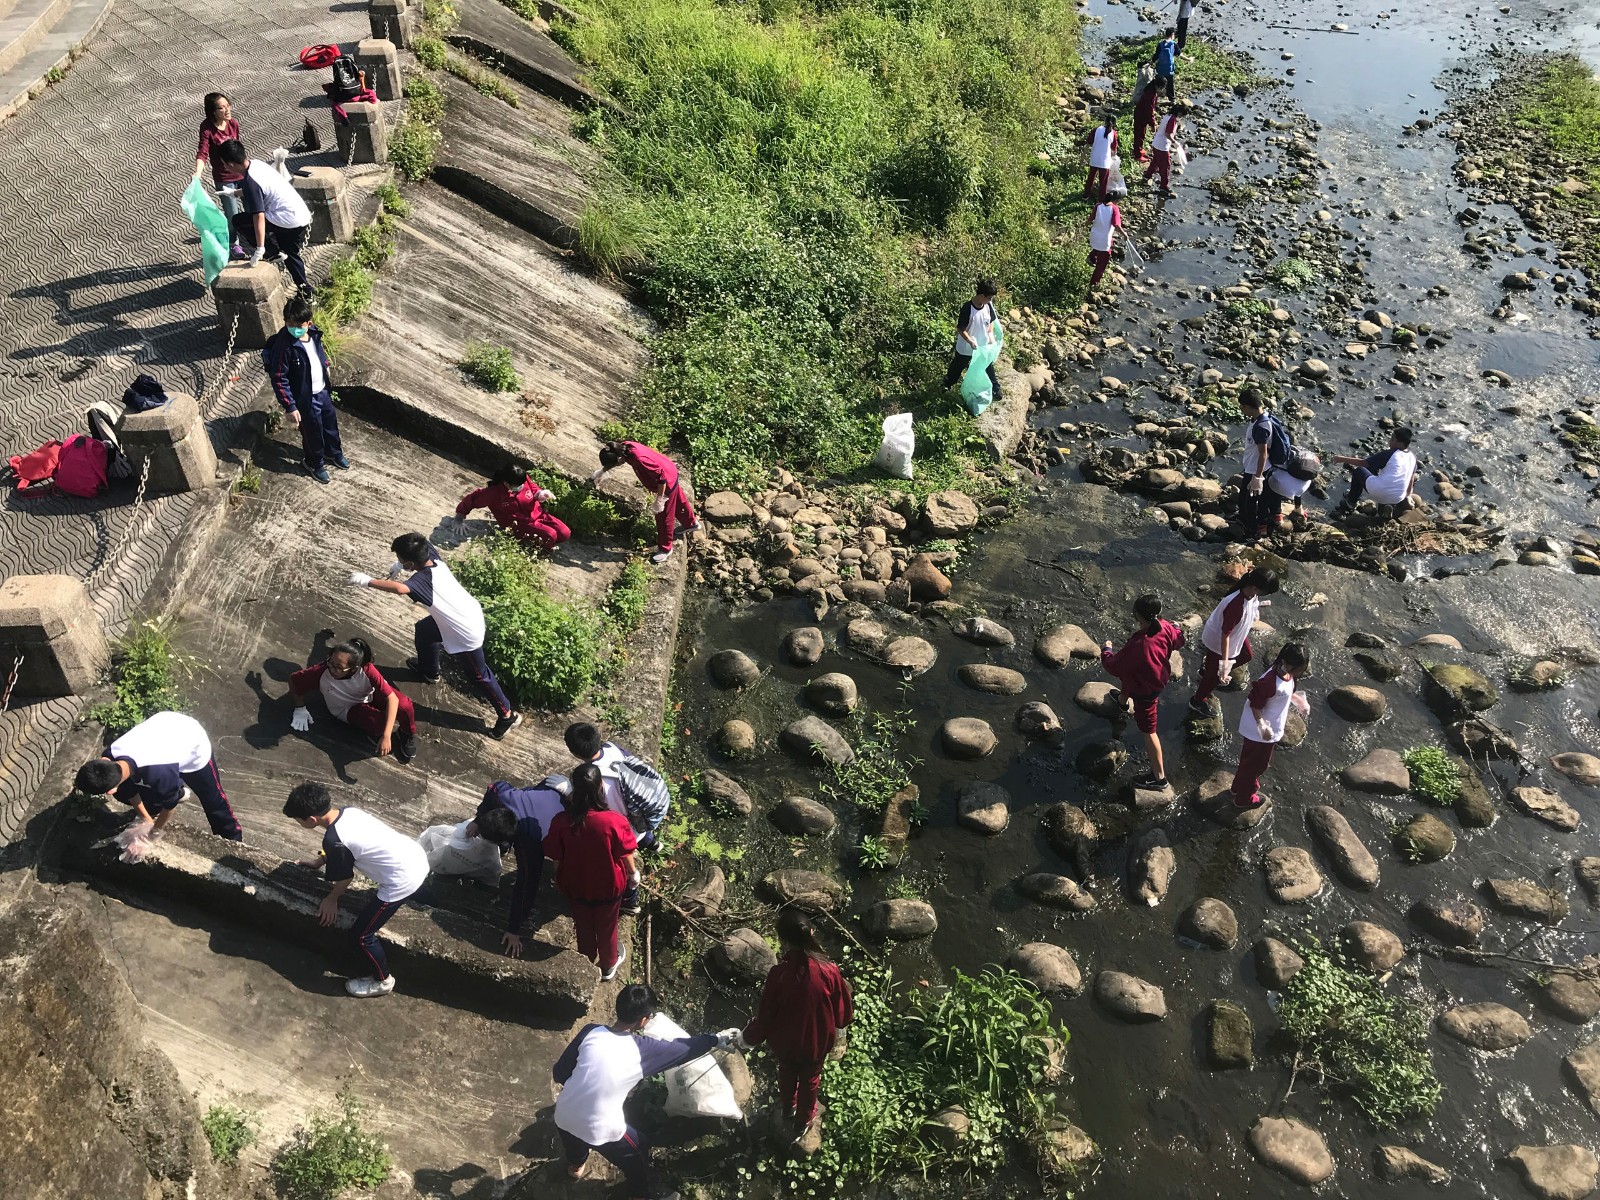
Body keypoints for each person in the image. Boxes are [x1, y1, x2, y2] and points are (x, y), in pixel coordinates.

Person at [552, 984, 740, 1199]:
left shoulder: (590, 1032)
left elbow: (559, 1073)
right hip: (600, 1129)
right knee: (639, 1149)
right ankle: (641, 1195)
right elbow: (684, 1049)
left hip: (563, 1114)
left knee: (573, 1137)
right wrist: (715, 1039)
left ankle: (575, 1167)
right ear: (643, 1020)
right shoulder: (642, 1050)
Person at [348, 532, 522, 739]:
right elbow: (421, 541)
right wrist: (399, 565)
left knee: (479, 675)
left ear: (411, 563)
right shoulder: (430, 556)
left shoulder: (423, 581)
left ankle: (506, 715)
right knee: (424, 631)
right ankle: (429, 671)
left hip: (464, 630)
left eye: (402, 561)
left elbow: (400, 588)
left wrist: (367, 581)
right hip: (458, 613)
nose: (400, 563)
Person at [283, 781, 430, 997]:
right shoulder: (347, 812)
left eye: (297, 819)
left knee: (361, 936)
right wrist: (318, 863)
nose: (298, 822)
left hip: (403, 878)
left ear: (311, 820)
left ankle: (383, 981)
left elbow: (345, 876)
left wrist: (331, 899)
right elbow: (345, 848)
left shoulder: (334, 840)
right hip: (415, 856)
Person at [741, 908, 854, 1140]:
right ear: (811, 932)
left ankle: (788, 1106)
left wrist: (748, 1038)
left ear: (783, 941)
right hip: (815, 1044)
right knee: (810, 1080)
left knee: (786, 1073)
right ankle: (804, 1119)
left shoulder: (779, 974)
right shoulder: (829, 971)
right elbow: (842, 1015)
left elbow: (766, 1015)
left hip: (785, 1044)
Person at [74, 711, 242, 841]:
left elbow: (170, 807)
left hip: (192, 743)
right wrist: (147, 820)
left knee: (212, 799)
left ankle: (232, 838)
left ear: (111, 790)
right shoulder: (110, 757)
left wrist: (154, 833)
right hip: (164, 734)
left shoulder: (160, 774)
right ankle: (176, 793)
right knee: (140, 796)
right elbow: (131, 793)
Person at [543, 763, 640, 981]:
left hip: (575, 884)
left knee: (583, 924)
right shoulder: (613, 821)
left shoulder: (562, 821)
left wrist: (559, 879)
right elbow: (625, 853)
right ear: (601, 787)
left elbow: (555, 856)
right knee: (607, 926)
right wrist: (633, 874)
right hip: (608, 886)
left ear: (573, 789)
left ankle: (586, 959)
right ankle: (608, 965)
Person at [564, 721, 672, 916]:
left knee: (622, 863)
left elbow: (613, 819)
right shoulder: (612, 748)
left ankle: (630, 900)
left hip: (630, 825)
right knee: (640, 828)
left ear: (576, 753)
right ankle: (652, 842)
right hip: (648, 809)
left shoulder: (600, 781)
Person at [469, 774, 569, 957]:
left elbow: (527, 885)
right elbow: (493, 788)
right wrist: (478, 819)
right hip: (551, 789)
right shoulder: (505, 797)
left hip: (566, 806)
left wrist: (514, 929)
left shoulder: (532, 843)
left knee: (544, 868)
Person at [1099, 593, 1186, 790]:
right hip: (1154, 677)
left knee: (1149, 731)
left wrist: (1106, 650)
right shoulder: (1165, 627)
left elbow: (1114, 666)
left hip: (1147, 689)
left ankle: (1159, 778)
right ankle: (1122, 702)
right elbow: (1179, 640)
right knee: (1132, 675)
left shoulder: (1140, 644)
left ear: (1137, 616)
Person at [287, 637, 418, 763]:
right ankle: (374, 732)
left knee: (404, 705)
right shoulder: (321, 673)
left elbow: (392, 699)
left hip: (367, 695)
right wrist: (300, 708)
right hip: (347, 707)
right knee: (380, 723)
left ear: (354, 668)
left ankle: (406, 732)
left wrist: (387, 736)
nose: (332, 669)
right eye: (331, 663)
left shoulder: (366, 669)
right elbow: (294, 680)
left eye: (338, 667)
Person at [262, 296, 348, 484]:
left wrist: (325, 364)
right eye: (290, 324)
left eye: (298, 324)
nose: (294, 328)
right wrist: (290, 406)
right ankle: (314, 463)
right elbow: (279, 378)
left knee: (330, 424)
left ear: (309, 323)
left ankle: (334, 452)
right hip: (305, 398)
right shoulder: (284, 346)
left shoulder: (314, 334)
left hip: (322, 391)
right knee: (312, 432)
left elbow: (319, 353)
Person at [217, 139, 312, 291]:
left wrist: (260, 248)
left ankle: (271, 252)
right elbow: (258, 189)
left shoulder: (250, 181)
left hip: (285, 219)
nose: (223, 166)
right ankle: (306, 291)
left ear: (231, 164)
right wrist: (234, 193)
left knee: (239, 220)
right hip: (300, 216)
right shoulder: (257, 164)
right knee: (289, 254)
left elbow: (258, 217)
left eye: (223, 163)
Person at [1231, 643, 1311, 808]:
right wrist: (1262, 726)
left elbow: (1286, 692)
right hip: (1259, 732)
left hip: (1271, 724)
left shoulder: (1287, 675)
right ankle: (1243, 798)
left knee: (1248, 761)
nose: (1300, 672)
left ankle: (1237, 787)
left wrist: (1299, 701)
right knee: (1257, 765)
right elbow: (1255, 704)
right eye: (1299, 668)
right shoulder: (1269, 681)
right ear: (1287, 663)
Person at [593, 440, 698, 565]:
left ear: (620, 458)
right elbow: (615, 460)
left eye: (617, 463)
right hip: (669, 469)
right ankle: (691, 523)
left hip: (667, 481)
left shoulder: (639, 459)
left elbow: (662, 478)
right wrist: (602, 471)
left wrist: (660, 500)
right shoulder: (623, 447)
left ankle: (665, 548)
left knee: (663, 516)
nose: (618, 465)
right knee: (679, 501)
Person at [1189, 566, 1279, 711]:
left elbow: (1252, 604)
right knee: (1214, 677)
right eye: (1265, 593)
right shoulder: (1236, 605)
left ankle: (1207, 671)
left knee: (1246, 655)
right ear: (1256, 588)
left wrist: (1258, 607)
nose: (1263, 595)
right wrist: (1224, 664)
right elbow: (1225, 635)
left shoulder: (1251, 592)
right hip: (1218, 641)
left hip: (1236, 634)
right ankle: (1197, 700)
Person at [451, 462, 570, 553]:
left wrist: (540, 493)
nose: (521, 487)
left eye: (522, 484)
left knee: (565, 533)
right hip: (520, 524)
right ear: (507, 483)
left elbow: (533, 488)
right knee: (551, 535)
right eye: (518, 486)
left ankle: (544, 541)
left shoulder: (521, 479)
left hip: (538, 515)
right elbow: (472, 500)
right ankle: (539, 548)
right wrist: (459, 519)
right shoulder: (493, 493)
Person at [193, 92, 246, 259]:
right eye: (222, 107)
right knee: (232, 214)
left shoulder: (234, 124)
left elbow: (238, 151)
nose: (227, 110)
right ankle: (234, 243)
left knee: (253, 206)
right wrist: (198, 173)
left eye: (228, 105)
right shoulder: (207, 128)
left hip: (242, 175)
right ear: (213, 111)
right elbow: (203, 152)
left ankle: (253, 234)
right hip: (224, 179)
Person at [1330, 426, 1418, 517]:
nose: (1389, 442)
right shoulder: (1412, 457)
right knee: (1380, 472)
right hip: (1398, 497)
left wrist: (1340, 458)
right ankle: (1386, 508)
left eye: (1392, 439)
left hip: (1380, 491)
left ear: (1400, 443)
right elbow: (1411, 480)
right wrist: (1408, 495)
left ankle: (1351, 501)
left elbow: (1363, 463)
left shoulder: (1390, 454)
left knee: (1359, 471)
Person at [1236, 389, 1287, 536]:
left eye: (1242, 407)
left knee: (1249, 502)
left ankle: (1252, 529)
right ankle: (1262, 523)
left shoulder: (1260, 427)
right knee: (1260, 498)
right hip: (1258, 467)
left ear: (1247, 406)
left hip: (1256, 469)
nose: (1242, 410)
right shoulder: (1264, 418)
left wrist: (1257, 477)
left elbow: (1263, 453)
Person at [941, 280, 1002, 400]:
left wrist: (990, 333)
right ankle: (946, 385)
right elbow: (961, 329)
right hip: (966, 347)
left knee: (988, 366)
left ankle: (996, 388)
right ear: (981, 296)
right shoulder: (967, 308)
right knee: (957, 367)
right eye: (989, 298)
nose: (990, 301)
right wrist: (970, 341)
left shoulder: (988, 306)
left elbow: (991, 322)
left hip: (982, 346)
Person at [1144, 105, 1182, 195]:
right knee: (1165, 166)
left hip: (1157, 142)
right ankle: (1164, 186)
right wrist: (1175, 142)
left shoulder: (1167, 115)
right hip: (1162, 145)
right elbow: (1168, 134)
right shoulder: (1172, 119)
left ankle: (1147, 175)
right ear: (1179, 113)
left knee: (1156, 161)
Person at [1087, 199, 1122, 291]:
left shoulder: (1098, 205)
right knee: (1101, 265)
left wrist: (1085, 224)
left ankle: (1092, 256)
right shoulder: (1114, 208)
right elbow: (1116, 225)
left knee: (1097, 248)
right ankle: (1094, 284)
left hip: (1094, 237)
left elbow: (1090, 219)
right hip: (1104, 241)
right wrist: (1125, 235)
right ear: (1115, 200)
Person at [1084, 115, 1119, 202]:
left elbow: (1089, 142)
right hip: (1105, 161)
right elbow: (1114, 149)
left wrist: (1084, 156)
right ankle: (1101, 200)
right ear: (1114, 124)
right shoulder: (1113, 133)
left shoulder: (1096, 130)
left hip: (1094, 158)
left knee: (1091, 177)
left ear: (1105, 121)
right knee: (1103, 182)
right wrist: (1113, 156)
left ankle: (1086, 195)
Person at [1132, 77, 1161, 163]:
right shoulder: (1151, 94)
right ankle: (1137, 155)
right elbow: (1149, 109)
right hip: (1141, 115)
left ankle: (1139, 150)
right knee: (1139, 135)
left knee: (1142, 134)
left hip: (1141, 115)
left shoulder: (1151, 90)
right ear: (1158, 86)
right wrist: (1153, 123)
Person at [1152, 28, 1178, 101]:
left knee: (1158, 83)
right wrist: (1189, 59)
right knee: (1170, 84)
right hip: (1169, 69)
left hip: (1160, 69)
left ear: (1165, 34)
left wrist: (1150, 63)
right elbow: (1179, 54)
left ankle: (1155, 97)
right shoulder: (1174, 44)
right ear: (1172, 35)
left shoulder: (1160, 44)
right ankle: (1172, 98)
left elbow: (1156, 56)